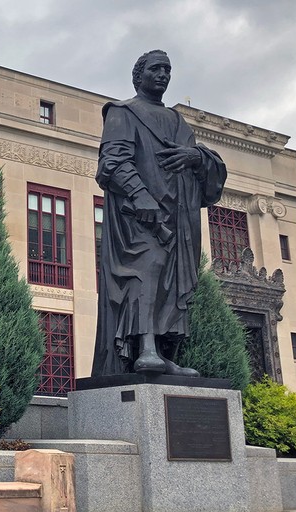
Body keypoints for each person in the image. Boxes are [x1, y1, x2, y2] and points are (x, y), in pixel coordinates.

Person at [92, 50, 227, 377]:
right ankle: (146, 349)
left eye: (168, 69)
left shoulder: (179, 123)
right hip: (138, 219)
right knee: (146, 271)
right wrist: (140, 195)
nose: (163, 74)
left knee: (172, 280)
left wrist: (196, 157)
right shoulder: (123, 113)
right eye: (156, 68)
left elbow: (209, 184)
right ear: (138, 76)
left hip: (177, 220)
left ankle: (163, 353)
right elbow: (111, 164)